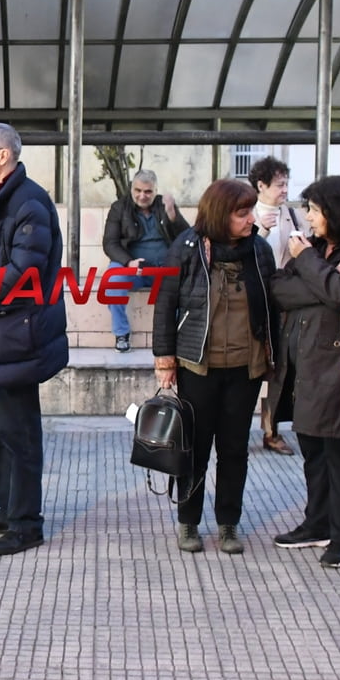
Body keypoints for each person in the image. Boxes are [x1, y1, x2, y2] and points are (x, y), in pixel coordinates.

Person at [0, 123, 68, 557]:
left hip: (18, 337)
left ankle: (27, 524)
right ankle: (7, 510)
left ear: (3, 155)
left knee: (19, 435)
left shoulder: (28, 202)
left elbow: (23, 273)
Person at [151, 179, 277, 555]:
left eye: (251, 211)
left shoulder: (259, 250)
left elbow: (274, 303)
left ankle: (228, 523)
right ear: (222, 214)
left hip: (245, 367)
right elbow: (165, 304)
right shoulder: (186, 247)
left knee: (234, 449)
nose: (251, 219)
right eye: (242, 213)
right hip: (197, 366)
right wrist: (165, 360)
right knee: (195, 448)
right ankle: (188, 521)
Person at [269, 176, 340, 568]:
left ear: (336, 211)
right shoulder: (319, 248)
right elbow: (279, 289)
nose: (309, 218)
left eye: (315, 210)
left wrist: (309, 265)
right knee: (313, 452)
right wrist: (326, 277)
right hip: (306, 365)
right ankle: (317, 523)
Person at [249, 156, 305, 454]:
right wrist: (260, 230)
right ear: (261, 185)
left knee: (280, 367)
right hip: (254, 301)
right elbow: (243, 254)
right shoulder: (247, 212)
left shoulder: (292, 215)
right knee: (249, 366)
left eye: (286, 184)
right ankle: (235, 428)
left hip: (283, 302)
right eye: (279, 184)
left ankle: (271, 431)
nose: (284, 190)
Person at [102, 170, 186, 353]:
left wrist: (173, 217)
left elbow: (186, 238)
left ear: (156, 190)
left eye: (148, 191)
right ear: (131, 188)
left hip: (164, 268)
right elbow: (110, 243)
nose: (142, 196)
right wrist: (128, 263)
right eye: (138, 190)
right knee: (113, 280)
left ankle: (176, 336)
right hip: (133, 267)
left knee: (181, 288)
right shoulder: (119, 208)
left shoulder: (165, 205)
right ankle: (121, 333)